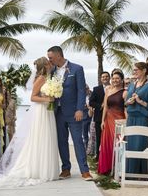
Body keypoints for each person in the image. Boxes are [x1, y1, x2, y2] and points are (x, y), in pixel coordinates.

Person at [0, 57, 60, 189]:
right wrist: (47, 99)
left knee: (47, 138)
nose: (51, 64)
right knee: (40, 137)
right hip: (41, 111)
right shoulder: (41, 79)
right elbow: (33, 97)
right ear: (44, 65)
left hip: (47, 112)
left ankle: (47, 168)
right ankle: (36, 168)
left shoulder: (49, 78)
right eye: (49, 63)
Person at [47, 46, 92, 180]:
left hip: (73, 112)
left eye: (51, 57)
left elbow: (81, 90)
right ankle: (66, 169)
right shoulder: (52, 71)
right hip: (57, 112)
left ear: (59, 55)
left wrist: (79, 109)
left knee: (78, 140)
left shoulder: (77, 69)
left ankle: (85, 171)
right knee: (61, 141)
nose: (49, 60)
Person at [124, 62, 148, 175]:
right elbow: (126, 102)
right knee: (130, 146)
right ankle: (129, 173)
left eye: (136, 70)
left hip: (142, 118)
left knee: (139, 146)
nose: (134, 72)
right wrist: (128, 102)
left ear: (143, 71)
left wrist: (140, 102)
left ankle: (140, 173)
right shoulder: (132, 85)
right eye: (134, 70)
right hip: (131, 118)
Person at [97, 70, 125, 175]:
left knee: (118, 143)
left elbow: (125, 109)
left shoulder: (124, 92)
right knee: (107, 143)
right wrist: (102, 121)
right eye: (113, 78)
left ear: (121, 80)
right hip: (108, 120)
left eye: (117, 78)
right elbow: (105, 107)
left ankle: (118, 169)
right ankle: (107, 168)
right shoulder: (108, 90)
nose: (115, 80)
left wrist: (125, 121)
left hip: (119, 120)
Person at [89, 71, 110, 160]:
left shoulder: (113, 88)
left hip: (110, 116)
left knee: (108, 138)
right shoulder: (96, 89)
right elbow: (91, 102)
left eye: (106, 76)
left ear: (109, 78)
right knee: (99, 137)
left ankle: (107, 156)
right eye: (103, 77)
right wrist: (100, 106)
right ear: (101, 79)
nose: (104, 78)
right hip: (98, 117)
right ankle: (98, 156)